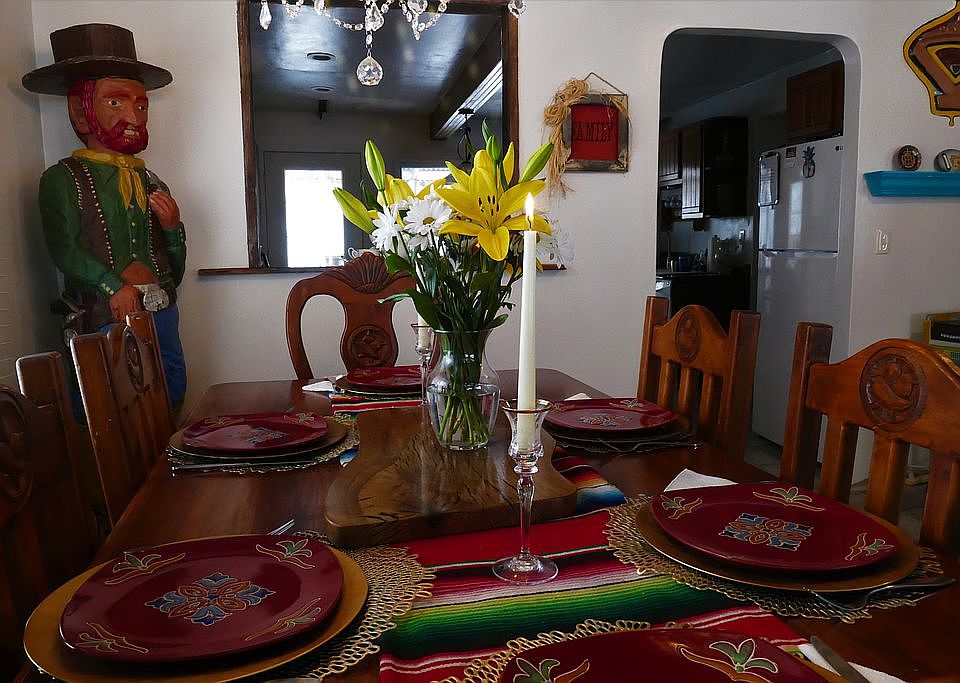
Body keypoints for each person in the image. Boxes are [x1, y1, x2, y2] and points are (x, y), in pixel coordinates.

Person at [23, 23, 187, 408]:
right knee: (107, 404)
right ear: (79, 111)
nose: (135, 117)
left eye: (141, 105)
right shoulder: (62, 179)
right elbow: (65, 250)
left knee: (171, 393)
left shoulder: (151, 181)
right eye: (116, 103)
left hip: (162, 310)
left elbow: (175, 272)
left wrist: (172, 229)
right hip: (102, 316)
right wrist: (113, 286)